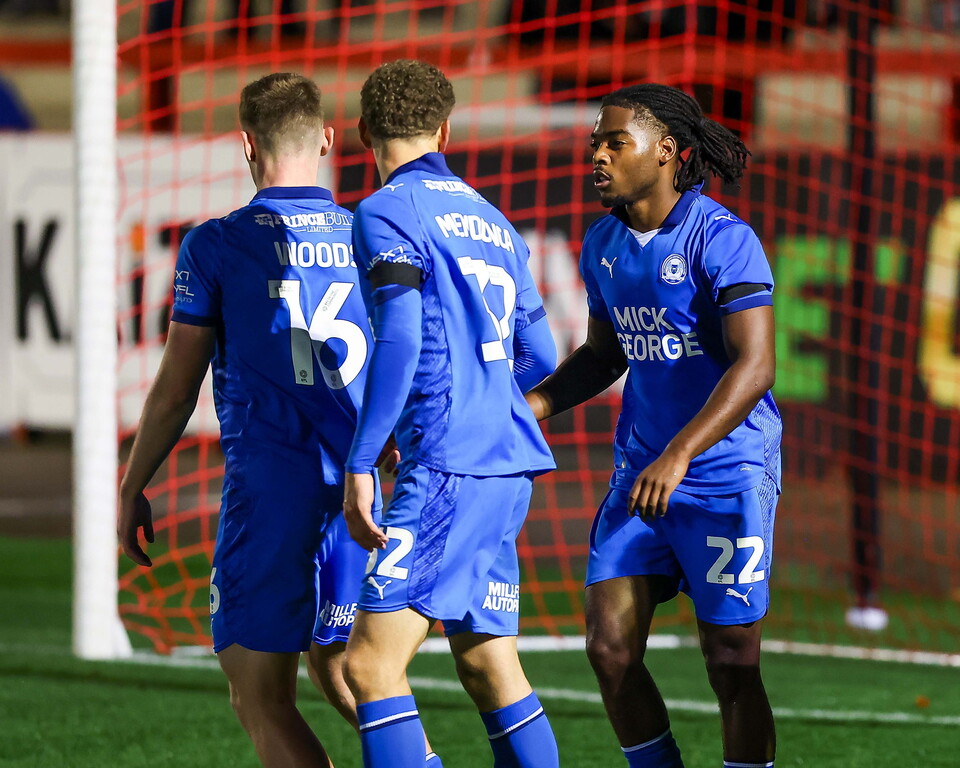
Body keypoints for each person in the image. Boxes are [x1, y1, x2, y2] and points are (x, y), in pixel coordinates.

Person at [118, 72, 396, 768]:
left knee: (259, 695)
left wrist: (131, 486)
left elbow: (178, 389)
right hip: (360, 489)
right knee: (341, 671)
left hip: (271, 495)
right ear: (329, 140)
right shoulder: (373, 235)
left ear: (244, 143)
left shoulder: (217, 245)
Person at [526, 83, 780, 768]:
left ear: (666, 151)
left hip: (725, 474)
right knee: (608, 650)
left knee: (730, 662)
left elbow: (754, 368)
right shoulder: (604, 242)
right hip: (643, 472)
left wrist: (680, 454)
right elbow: (606, 355)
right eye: (593, 145)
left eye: (615, 142)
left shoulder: (723, 239)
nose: (598, 156)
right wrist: (533, 409)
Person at [341, 59, 561, 768]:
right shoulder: (496, 223)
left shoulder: (385, 211)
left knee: (369, 668)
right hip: (508, 465)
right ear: (444, 131)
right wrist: (486, 398)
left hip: (449, 463)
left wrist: (361, 458)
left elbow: (402, 338)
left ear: (365, 129)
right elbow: (542, 354)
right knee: (488, 666)